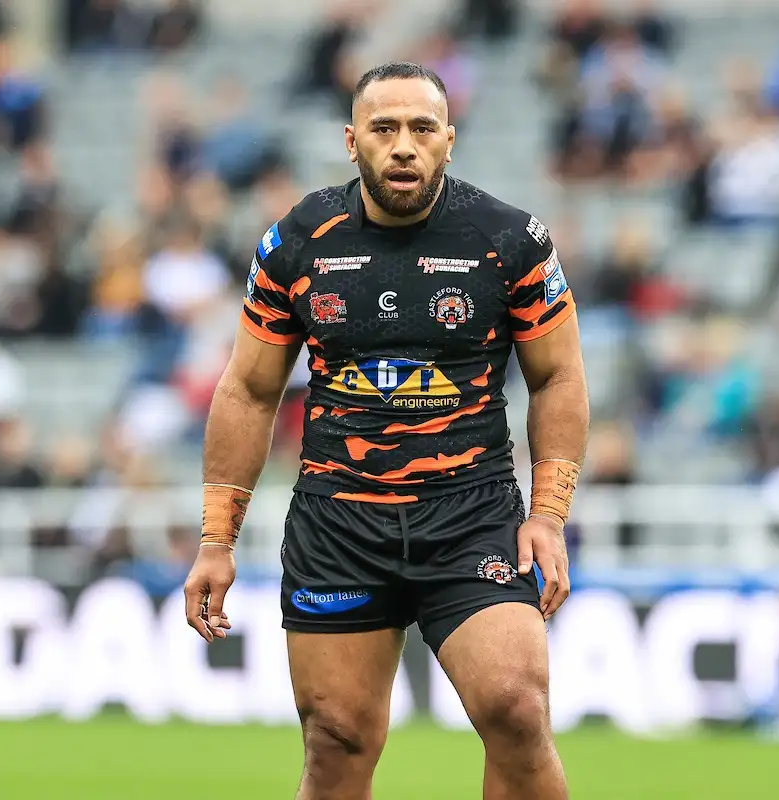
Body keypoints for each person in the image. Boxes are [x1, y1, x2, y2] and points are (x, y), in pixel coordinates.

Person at [183, 62, 589, 799]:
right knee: (336, 742)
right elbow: (247, 390)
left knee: (516, 709)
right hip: (338, 525)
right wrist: (216, 540)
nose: (403, 145)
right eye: (384, 128)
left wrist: (550, 517)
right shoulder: (297, 243)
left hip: (472, 516)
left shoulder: (510, 239)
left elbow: (558, 378)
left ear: (448, 140)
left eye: (422, 128)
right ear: (352, 142)